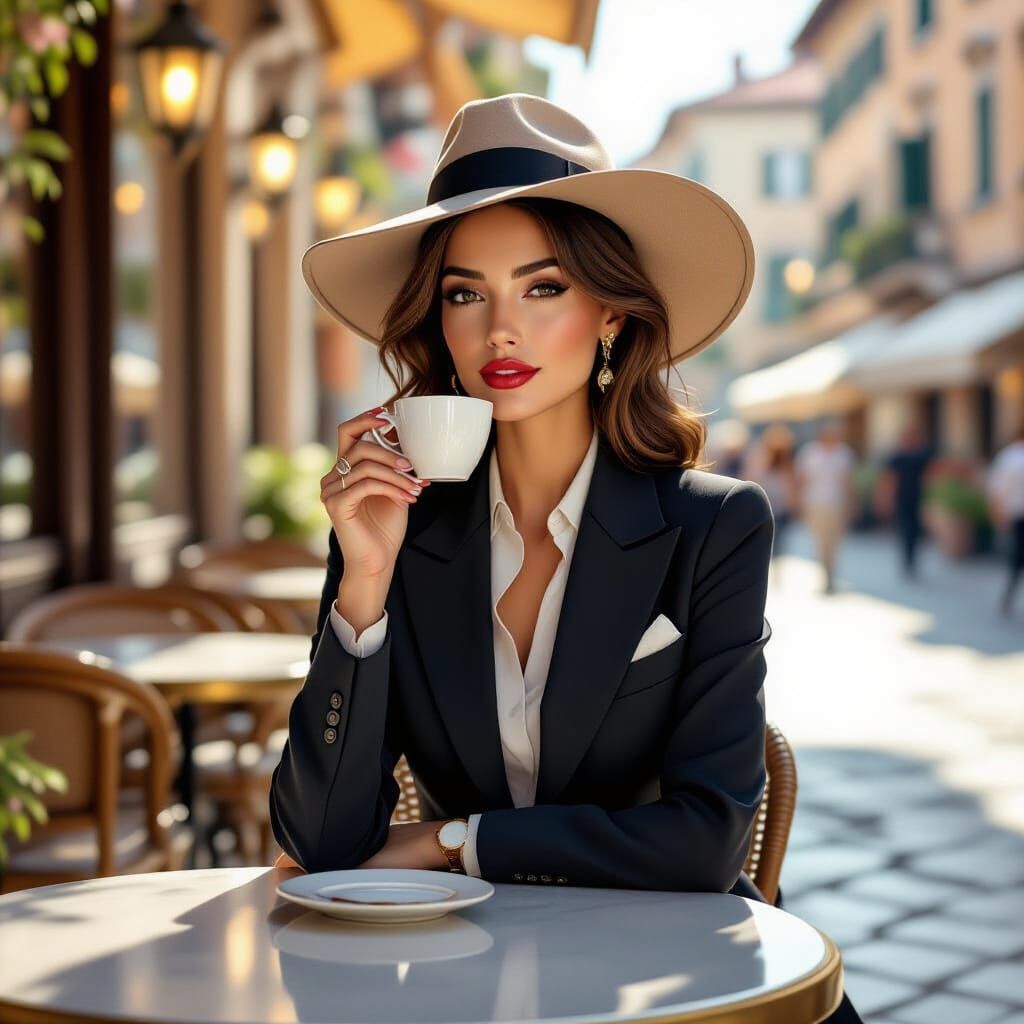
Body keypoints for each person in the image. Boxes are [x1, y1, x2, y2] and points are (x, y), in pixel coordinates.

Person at [270, 94, 864, 1024]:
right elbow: (319, 841)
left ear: (613, 316)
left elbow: (706, 843)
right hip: (454, 977)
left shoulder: (717, 527)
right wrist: (366, 582)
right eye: (466, 293)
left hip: (677, 981)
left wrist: (454, 841)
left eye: (542, 287)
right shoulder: (401, 530)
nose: (498, 329)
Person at [794, 420, 857, 594]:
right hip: (815, 503)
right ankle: (825, 576)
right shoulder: (809, 453)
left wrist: (852, 504)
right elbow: (801, 480)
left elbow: (848, 481)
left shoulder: (844, 454)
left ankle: (831, 575)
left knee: (834, 541)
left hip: (837, 503)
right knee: (820, 541)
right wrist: (798, 503)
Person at [876, 419, 936, 579]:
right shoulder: (897, 456)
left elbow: (933, 474)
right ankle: (908, 562)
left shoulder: (922, 454)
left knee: (915, 532)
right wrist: (885, 500)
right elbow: (889, 479)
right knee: (906, 531)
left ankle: (912, 561)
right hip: (902, 498)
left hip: (919, 498)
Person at [742, 423, 798, 568]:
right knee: (769, 537)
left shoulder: (786, 461)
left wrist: (792, 503)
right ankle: (770, 563)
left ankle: (774, 562)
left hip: (779, 506)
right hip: (765, 504)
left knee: (777, 538)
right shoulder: (761, 458)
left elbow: (791, 483)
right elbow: (752, 478)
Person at [986, 421, 1024, 616]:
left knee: (1016, 560)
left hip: (1017, 515)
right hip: (1017, 514)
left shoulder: (1008, 457)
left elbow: (998, 489)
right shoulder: (1010, 456)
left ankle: (1008, 597)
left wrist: (997, 513)